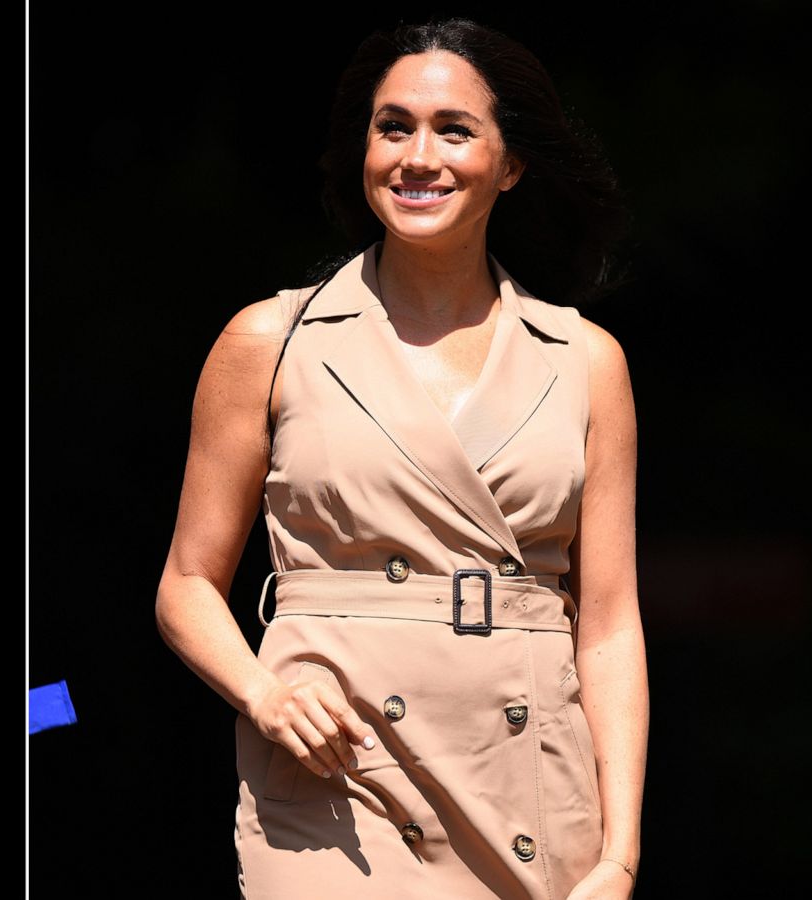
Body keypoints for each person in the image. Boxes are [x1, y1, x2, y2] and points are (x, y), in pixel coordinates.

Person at [155, 19, 646, 900]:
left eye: (453, 129)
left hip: (530, 787)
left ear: (512, 162)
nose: (419, 156)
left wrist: (619, 855)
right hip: (339, 781)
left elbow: (608, 627)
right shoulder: (270, 340)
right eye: (393, 127)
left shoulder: (586, 361)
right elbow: (187, 581)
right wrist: (262, 694)